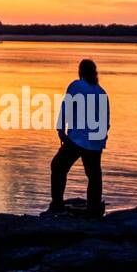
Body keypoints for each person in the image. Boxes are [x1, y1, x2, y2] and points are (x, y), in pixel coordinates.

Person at [48, 58, 109, 217]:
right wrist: (100, 142)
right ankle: (94, 208)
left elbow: (65, 108)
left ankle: (57, 205)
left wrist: (61, 131)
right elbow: (106, 122)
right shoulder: (102, 92)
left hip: (78, 139)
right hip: (95, 141)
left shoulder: (76, 86)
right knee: (94, 175)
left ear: (80, 72)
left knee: (57, 166)